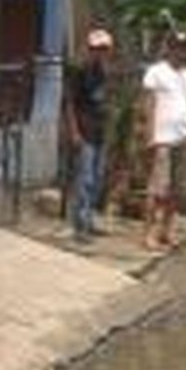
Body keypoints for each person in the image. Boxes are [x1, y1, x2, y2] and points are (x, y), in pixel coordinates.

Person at [142, 31, 186, 252]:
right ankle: (147, 234)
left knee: (177, 190)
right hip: (163, 137)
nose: (181, 51)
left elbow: (185, 103)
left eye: (184, 47)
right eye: (177, 47)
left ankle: (166, 231)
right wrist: (149, 135)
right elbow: (148, 103)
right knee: (157, 190)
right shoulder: (156, 72)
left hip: (185, 135)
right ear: (169, 48)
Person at [65, 29, 114, 243]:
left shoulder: (103, 71)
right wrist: (74, 131)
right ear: (89, 49)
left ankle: (89, 220)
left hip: (99, 131)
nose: (99, 52)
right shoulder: (79, 70)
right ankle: (80, 226)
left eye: (103, 49)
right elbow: (69, 103)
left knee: (97, 179)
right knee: (85, 179)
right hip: (84, 131)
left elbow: (104, 102)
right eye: (96, 49)